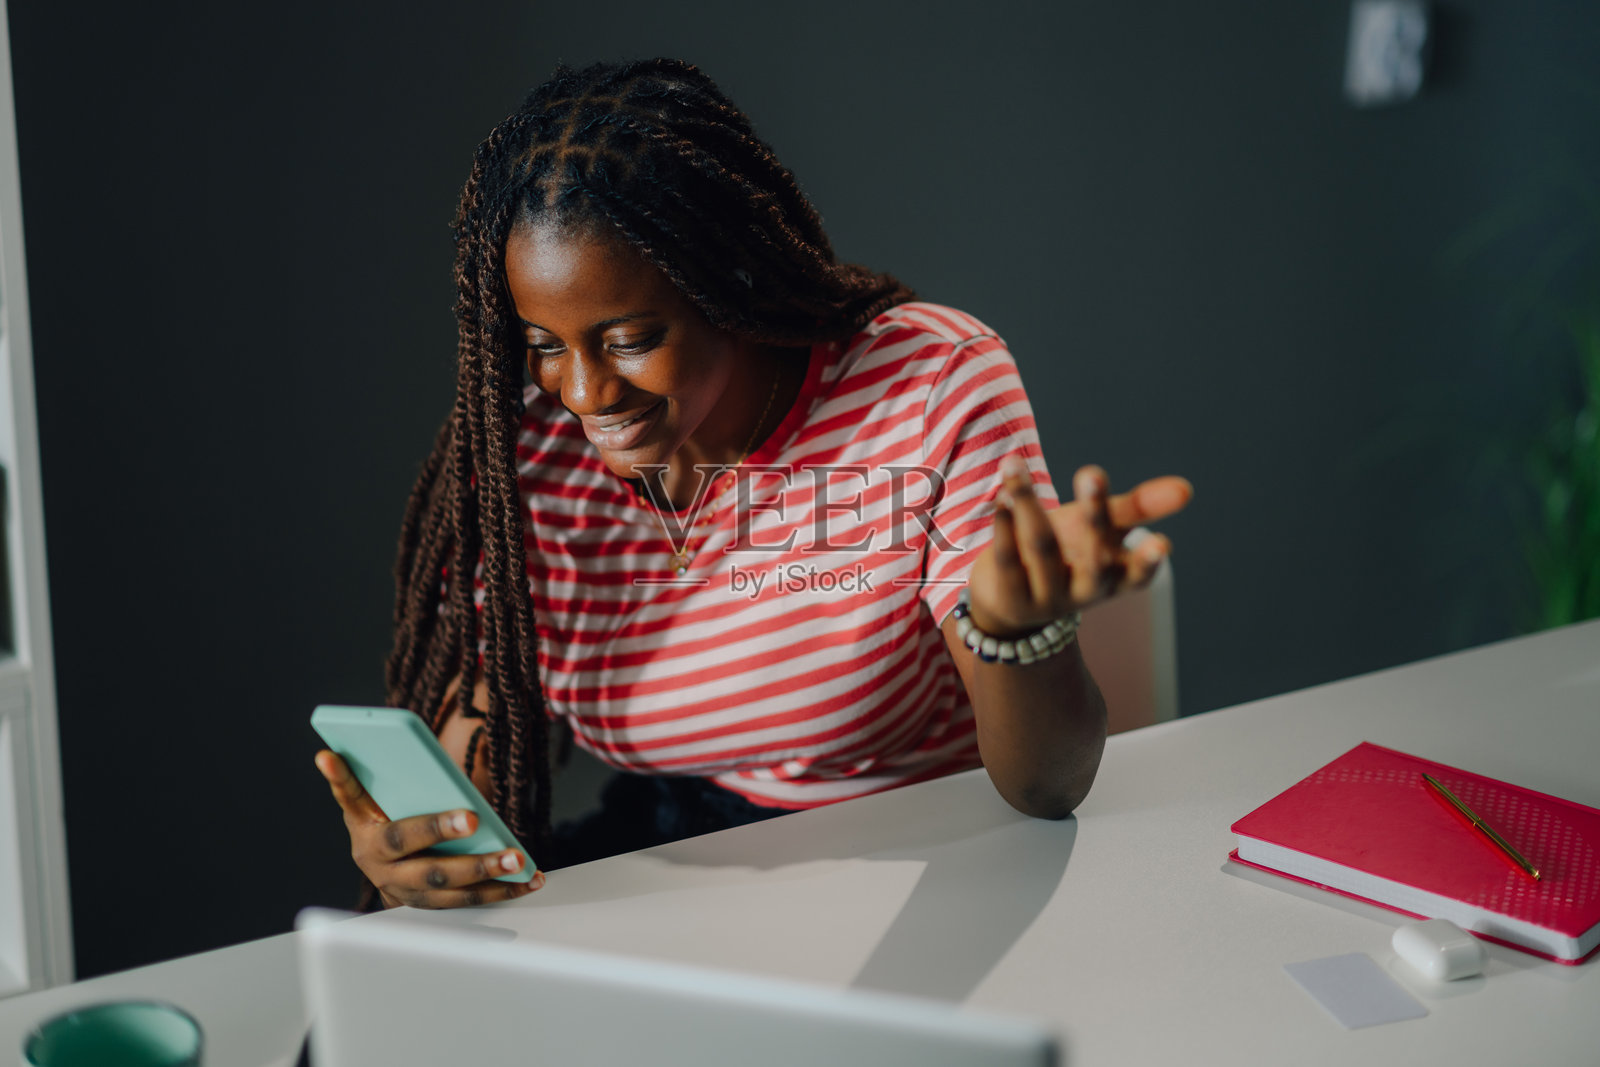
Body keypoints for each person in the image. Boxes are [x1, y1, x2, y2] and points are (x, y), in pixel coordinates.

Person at [314, 59, 1192, 910]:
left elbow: (1047, 785)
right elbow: (481, 745)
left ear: (726, 282)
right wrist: (427, 844)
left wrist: (1013, 630)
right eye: (544, 346)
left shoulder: (925, 383)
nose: (582, 393)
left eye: (628, 339)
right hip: (670, 869)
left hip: (914, 866)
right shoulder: (532, 456)